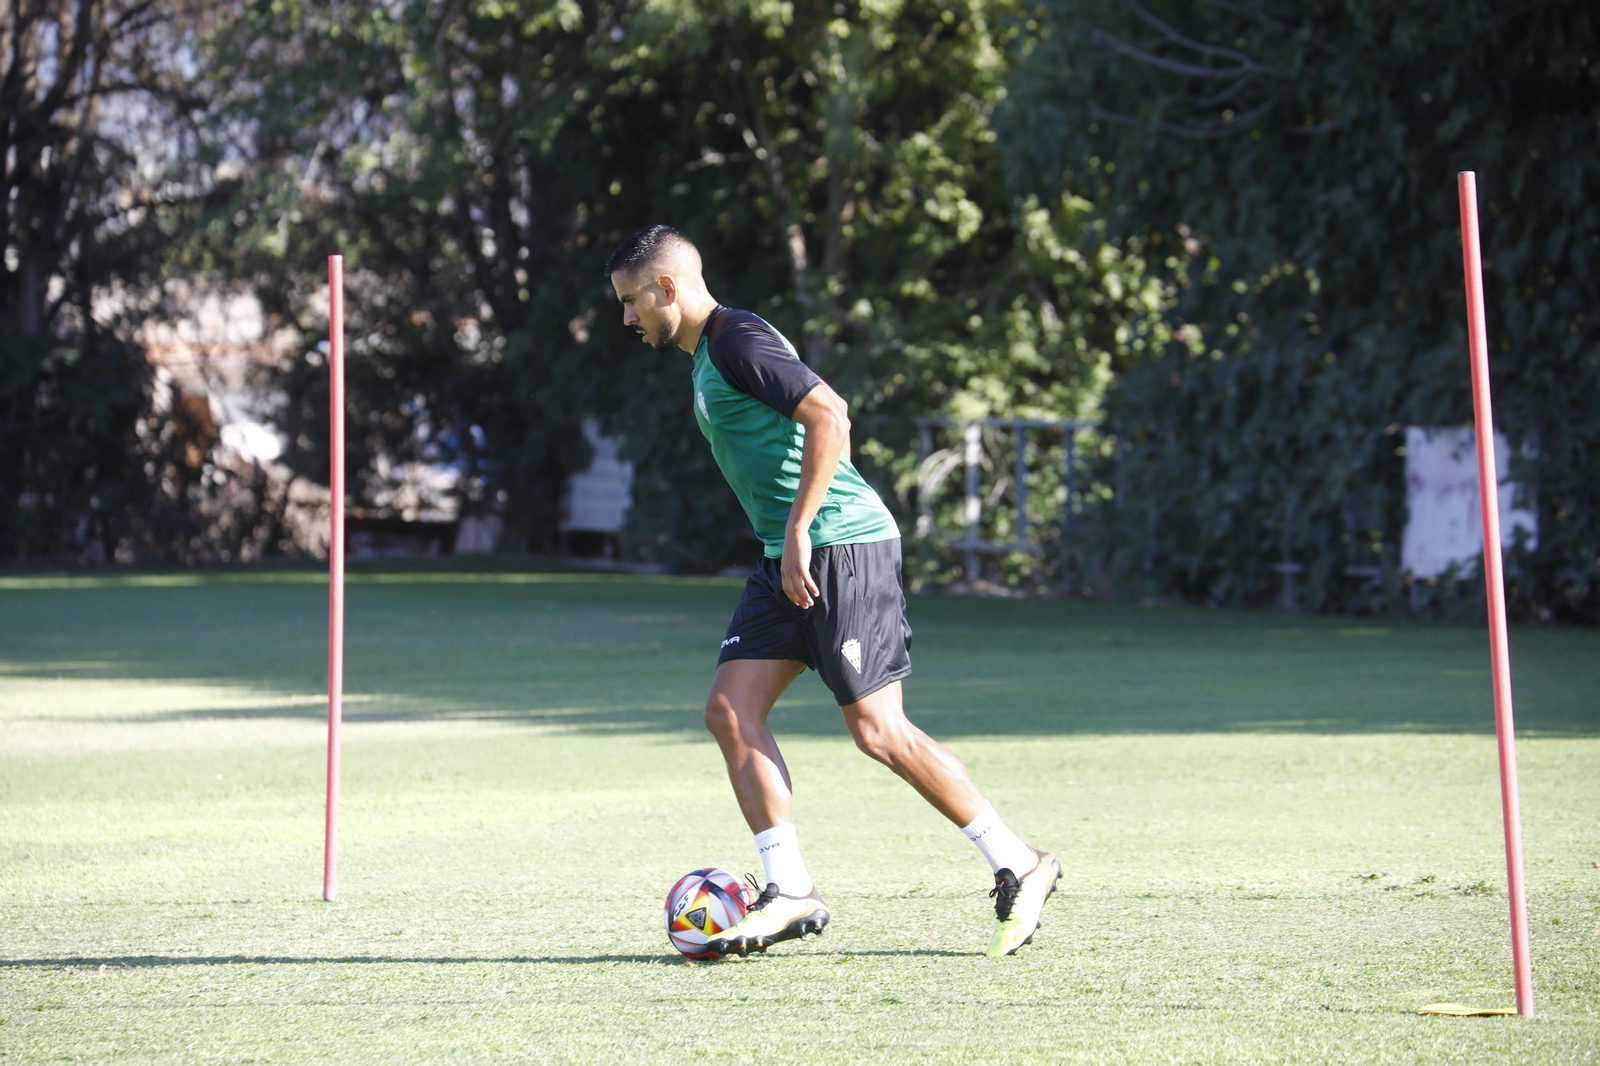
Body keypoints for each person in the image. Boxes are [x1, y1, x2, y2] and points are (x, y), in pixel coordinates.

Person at [605, 224, 1058, 958]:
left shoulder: (735, 339)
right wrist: (784, 541)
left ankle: (1021, 862)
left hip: (840, 544)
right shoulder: (706, 358)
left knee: (879, 732)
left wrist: (799, 531)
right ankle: (789, 891)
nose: (626, 317)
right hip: (786, 554)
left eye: (631, 301)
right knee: (729, 709)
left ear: (667, 288)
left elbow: (830, 415)